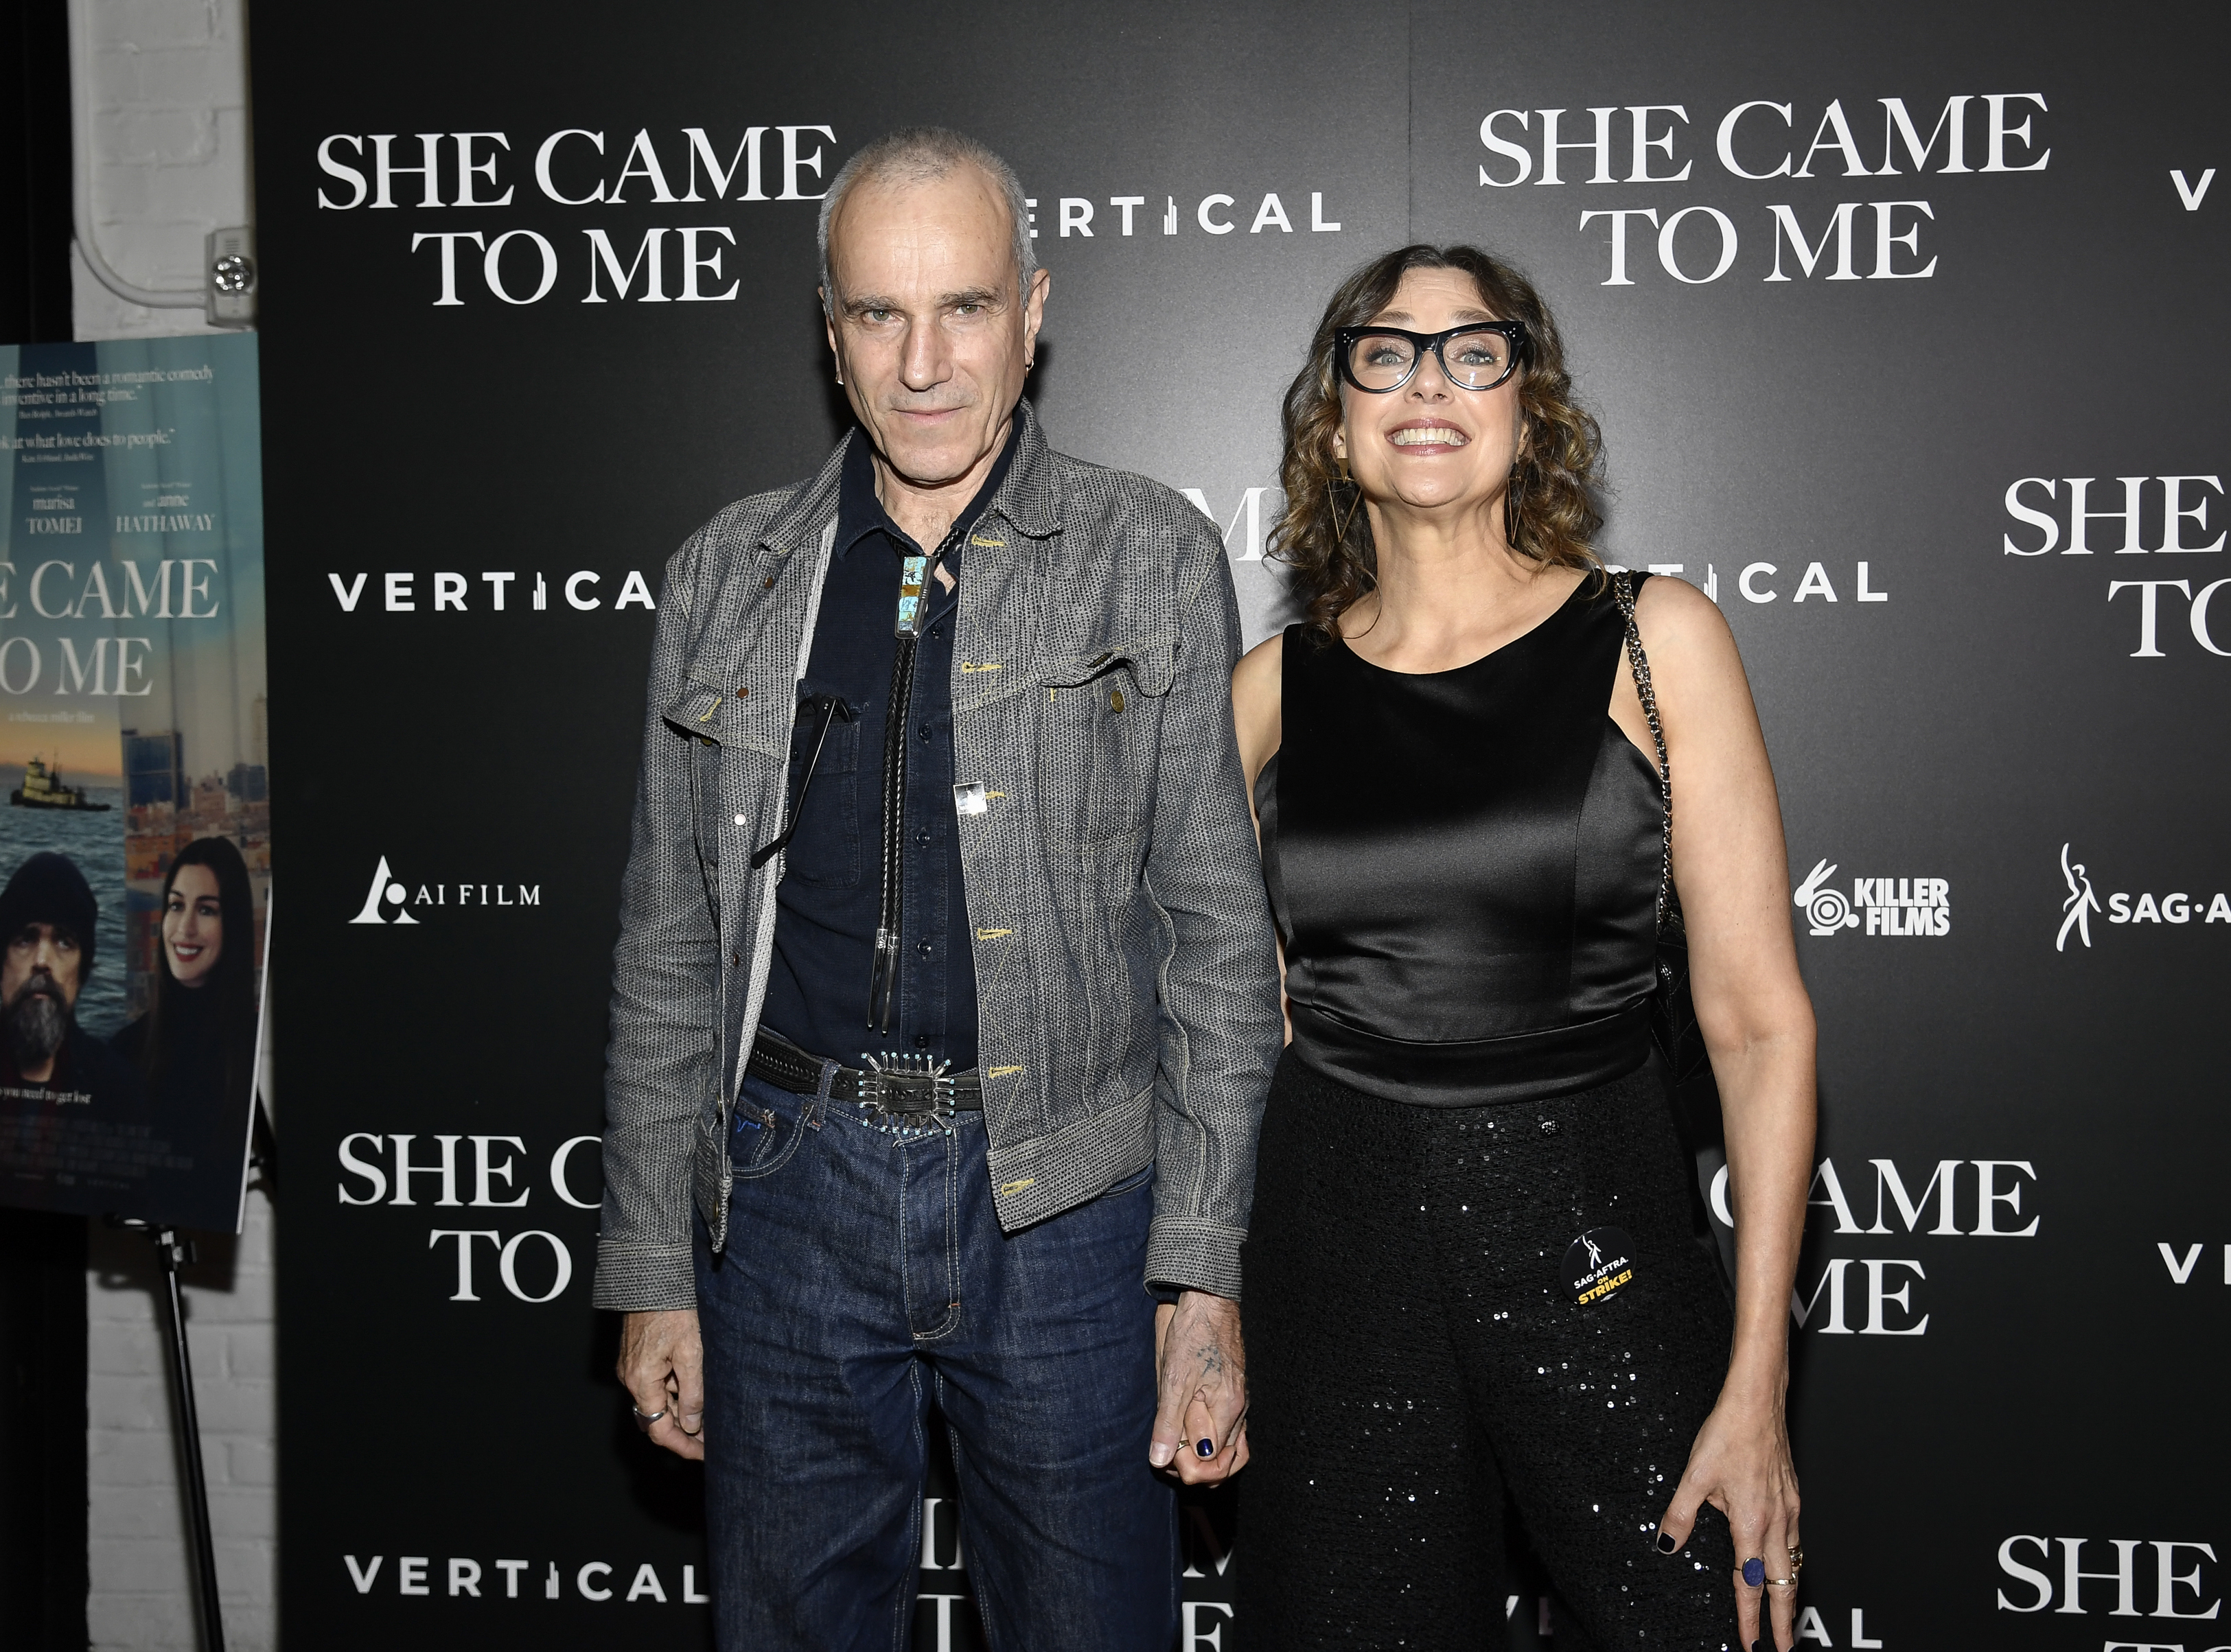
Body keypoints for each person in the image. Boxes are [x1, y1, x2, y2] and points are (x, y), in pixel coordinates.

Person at [592, 126, 1282, 1652]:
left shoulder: (1144, 554)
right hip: (781, 1188)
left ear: (1031, 311)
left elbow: (1220, 951)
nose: (921, 362)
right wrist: (651, 1266)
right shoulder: (726, 573)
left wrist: (1203, 1272)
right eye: (877, 315)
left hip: (1068, 1197)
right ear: (827, 333)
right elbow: (666, 946)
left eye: (963, 307)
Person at [1232, 245, 1817, 1652]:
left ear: (1525, 401)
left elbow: (1756, 1025)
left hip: (1596, 1238)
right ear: (1333, 413)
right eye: (1386, 351)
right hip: (1337, 1253)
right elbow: (1233, 1029)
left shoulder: (1652, 638)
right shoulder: (1263, 693)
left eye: (1471, 349)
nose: (1426, 380)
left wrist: (1756, 1386)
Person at [111, 837, 260, 1179]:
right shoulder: (124, 1052)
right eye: (176, 906)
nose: (185, 929)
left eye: (207, 910)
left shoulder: (257, 1054)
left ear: (233, 925)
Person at [0, 851, 145, 1113]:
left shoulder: (118, 1093)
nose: (42, 960)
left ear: (82, 971)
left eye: (64, 942)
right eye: (25, 939)